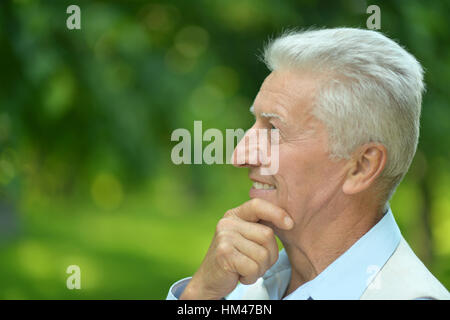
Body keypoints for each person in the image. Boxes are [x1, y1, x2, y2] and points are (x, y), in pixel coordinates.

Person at [167, 28, 450, 300]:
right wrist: (199, 295)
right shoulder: (237, 285)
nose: (240, 156)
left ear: (361, 166)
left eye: (274, 130)